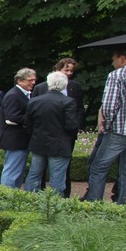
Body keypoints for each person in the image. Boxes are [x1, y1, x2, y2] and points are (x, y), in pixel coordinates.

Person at [85, 47, 126, 204]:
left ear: (122, 58)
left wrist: (106, 125)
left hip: (119, 130)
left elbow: (109, 106)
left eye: (113, 59)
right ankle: (123, 207)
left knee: (99, 167)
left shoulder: (117, 75)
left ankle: (94, 204)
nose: (112, 62)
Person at [31, 58, 86, 197]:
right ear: (58, 68)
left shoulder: (75, 87)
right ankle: (43, 198)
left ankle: (63, 196)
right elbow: (32, 115)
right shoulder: (40, 88)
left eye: (71, 71)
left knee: (61, 170)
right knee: (42, 172)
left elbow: (79, 109)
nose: (69, 73)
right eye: (66, 70)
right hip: (47, 137)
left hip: (63, 138)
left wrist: (76, 128)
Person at [23, 71, 79, 195]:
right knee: (57, 178)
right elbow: (71, 126)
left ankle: (29, 199)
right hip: (59, 145)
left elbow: (27, 124)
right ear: (64, 85)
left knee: (34, 174)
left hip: (38, 143)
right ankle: (54, 204)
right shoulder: (68, 102)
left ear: (48, 84)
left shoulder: (34, 101)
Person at [0, 68, 36, 188]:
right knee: (12, 171)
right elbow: (11, 117)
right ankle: (6, 194)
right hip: (14, 140)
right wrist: (32, 119)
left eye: (34, 80)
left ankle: (13, 194)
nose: (33, 82)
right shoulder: (13, 95)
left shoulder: (24, 94)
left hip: (20, 139)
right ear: (19, 80)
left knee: (18, 171)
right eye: (30, 80)